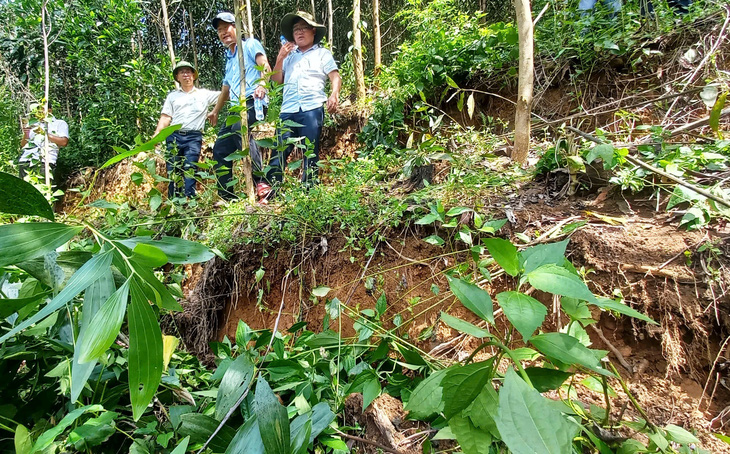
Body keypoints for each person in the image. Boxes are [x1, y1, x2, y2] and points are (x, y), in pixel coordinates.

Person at [268, 11, 341, 193]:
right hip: (288, 109)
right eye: (296, 29)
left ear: (313, 31)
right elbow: (276, 81)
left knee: (310, 150)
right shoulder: (289, 57)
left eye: (304, 28)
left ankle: (309, 191)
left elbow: (335, 76)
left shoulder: (323, 54)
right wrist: (279, 58)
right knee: (280, 150)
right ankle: (271, 190)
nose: (299, 32)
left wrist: (334, 94)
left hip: (312, 108)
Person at [207, 12, 272, 203]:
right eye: (219, 30)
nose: (222, 33)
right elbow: (226, 89)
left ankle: (261, 183)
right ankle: (227, 197)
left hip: (254, 102)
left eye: (225, 27)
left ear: (237, 27)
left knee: (239, 129)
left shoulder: (250, 45)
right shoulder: (229, 59)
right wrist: (216, 111)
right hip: (235, 110)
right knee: (219, 149)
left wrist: (262, 85)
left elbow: (265, 66)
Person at [154, 61, 220, 199]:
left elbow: (226, 94)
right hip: (174, 136)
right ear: (177, 77)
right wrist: (157, 136)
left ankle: (190, 200)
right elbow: (165, 118)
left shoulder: (204, 94)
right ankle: (174, 202)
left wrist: (215, 111)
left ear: (194, 76)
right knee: (173, 170)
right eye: (182, 72)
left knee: (190, 168)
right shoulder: (172, 96)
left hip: (193, 137)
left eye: (188, 72)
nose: (186, 75)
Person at [19, 102, 69, 186]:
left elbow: (64, 142)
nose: (38, 113)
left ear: (50, 110)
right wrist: (26, 134)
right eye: (36, 111)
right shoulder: (33, 124)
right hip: (26, 161)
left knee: (43, 191)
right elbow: (23, 145)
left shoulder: (59, 123)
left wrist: (44, 133)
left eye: (41, 110)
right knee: (24, 191)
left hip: (45, 161)